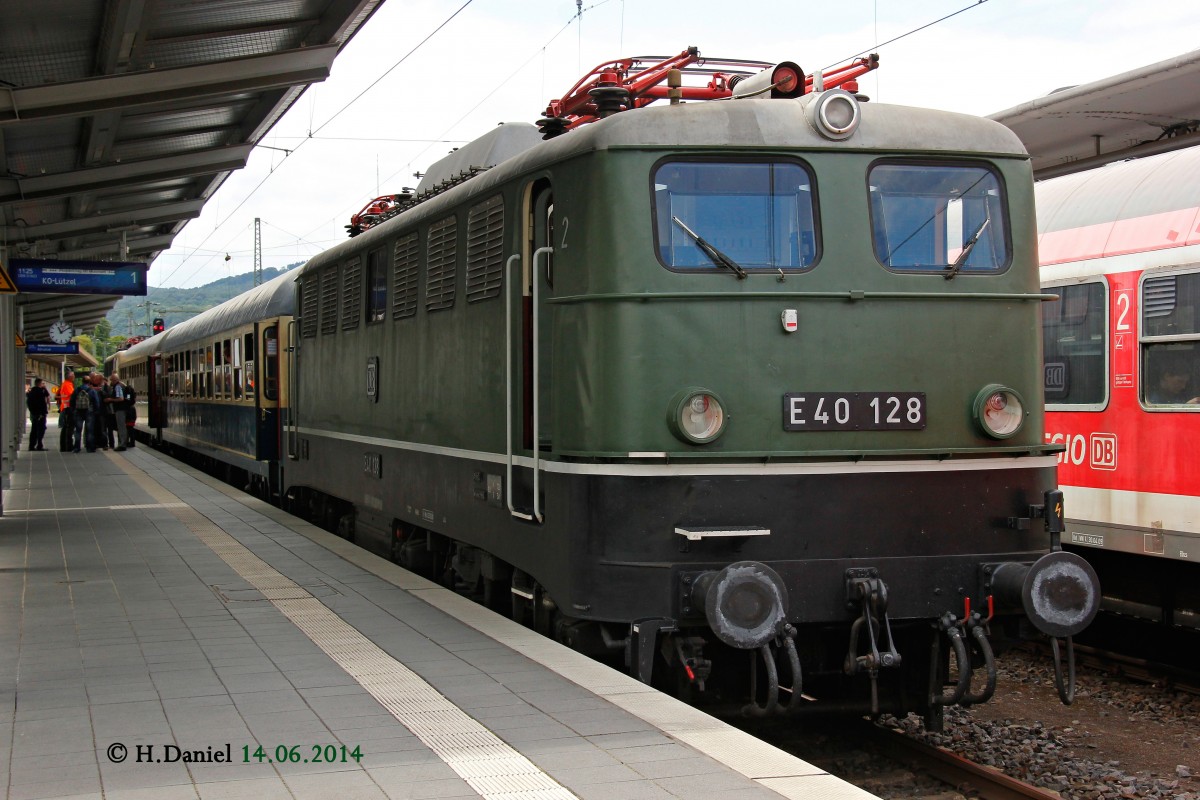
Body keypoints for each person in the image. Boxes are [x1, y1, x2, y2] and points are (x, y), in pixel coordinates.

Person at [72, 374, 101, 453]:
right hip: (89, 412)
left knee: (78, 430)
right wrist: (96, 411)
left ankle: (77, 448)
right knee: (90, 430)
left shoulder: (77, 390)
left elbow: (72, 401)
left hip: (78, 411)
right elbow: (96, 402)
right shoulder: (92, 391)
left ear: (82, 381)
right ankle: (90, 447)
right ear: (89, 382)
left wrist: (74, 410)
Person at [26, 378, 51, 451]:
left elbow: (29, 402)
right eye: (43, 383)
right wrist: (41, 412)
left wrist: (33, 411)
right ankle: (39, 445)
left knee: (34, 429)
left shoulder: (32, 391)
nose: (44, 385)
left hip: (34, 413)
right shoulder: (40, 392)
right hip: (40, 413)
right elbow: (46, 398)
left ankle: (32, 445)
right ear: (40, 383)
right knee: (40, 429)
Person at [108, 374, 130, 451]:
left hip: (120, 409)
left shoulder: (117, 387)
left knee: (121, 427)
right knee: (122, 426)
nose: (110, 381)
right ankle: (123, 443)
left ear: (114, 380)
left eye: (111, 380)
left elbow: (120, 398)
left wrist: (110, 400)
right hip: (123, 409)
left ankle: (122, 444)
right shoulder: (121, 385)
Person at [58, 370, 76, 451]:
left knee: (66, 428)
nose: (74, 377)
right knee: (69, 428)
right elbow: (73, 396)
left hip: (65, 408)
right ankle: (68, 445)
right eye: (73, 375)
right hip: (68, 408)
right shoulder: (67, 385)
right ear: (70, 377)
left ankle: (64, 446)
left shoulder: (66, 384)